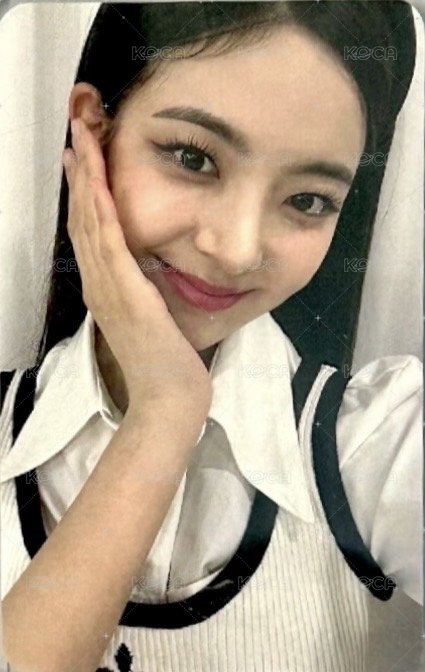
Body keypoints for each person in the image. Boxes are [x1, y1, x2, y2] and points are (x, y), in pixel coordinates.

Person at [0, 2, 422, 671]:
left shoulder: (377, 444)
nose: (236, 250)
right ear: (92, 131)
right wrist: (164, 410)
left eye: (307, 200)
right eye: (193, 158)